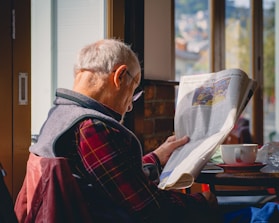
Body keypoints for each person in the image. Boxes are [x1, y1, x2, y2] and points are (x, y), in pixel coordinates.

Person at [19, 39, 219, 222]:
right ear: (120, 76)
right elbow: (148, 207)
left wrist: (157, 157)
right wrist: (200, 201)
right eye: (133, 90)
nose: (130, 106)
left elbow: (109, 177)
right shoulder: (93, 128)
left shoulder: (59, 116)